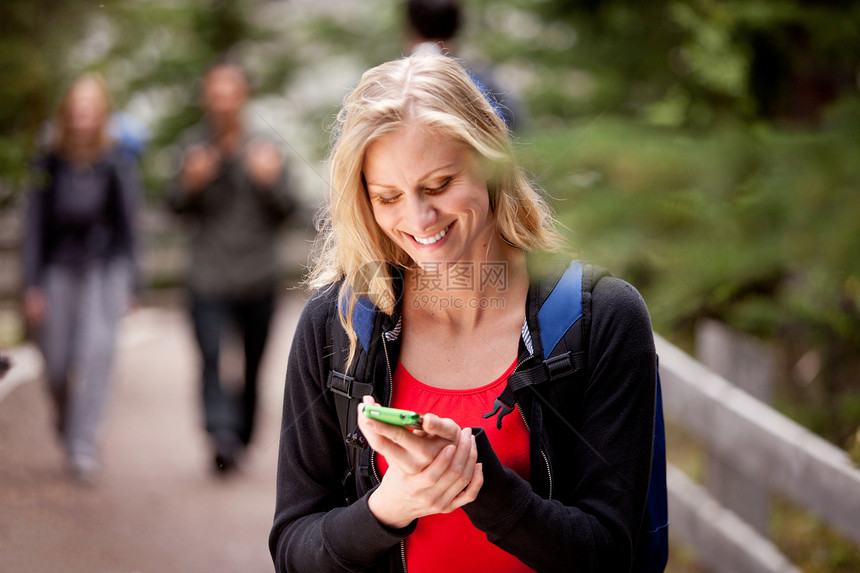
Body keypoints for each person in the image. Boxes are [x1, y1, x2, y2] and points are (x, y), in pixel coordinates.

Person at [269, 53, 659, 571]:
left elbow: (609, 553)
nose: (418, 218)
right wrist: (391, 506)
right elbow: (294, 550)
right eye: (388, 197)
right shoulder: (336, 324)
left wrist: (479, 484)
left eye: (438, 185)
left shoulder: (602, 318)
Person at [167, 61, 296, 474]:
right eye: (215, 92)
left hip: (257, 274)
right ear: (207, 98)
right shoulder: (193, 150)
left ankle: (240, 434)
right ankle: (219, 433)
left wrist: (269, 180)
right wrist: (191, 182)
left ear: (243, 97)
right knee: (209, 357)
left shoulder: (266, 148)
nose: (222, 101)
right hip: (208, 275)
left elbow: (289, 210)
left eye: (230, 92)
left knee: (253, 363)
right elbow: (175, 208)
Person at [22, 73, 140, 484]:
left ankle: (83, 443)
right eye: (77, 110)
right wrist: (31, 284)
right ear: (67, 114)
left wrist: (131, 284)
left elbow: (128, 227)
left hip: (103, 268)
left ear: (102, 114)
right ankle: (67, 421)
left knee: (97, 354)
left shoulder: (115, 161)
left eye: (91, 110)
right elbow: (33, 227)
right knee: (55, 362)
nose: (83, 118)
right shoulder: (48, 161)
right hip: (57, 267)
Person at [404, 0, 525, 131]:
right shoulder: (483, 81)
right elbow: (515, 127)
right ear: (456, 28)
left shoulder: (393, 82)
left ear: (410, 28)